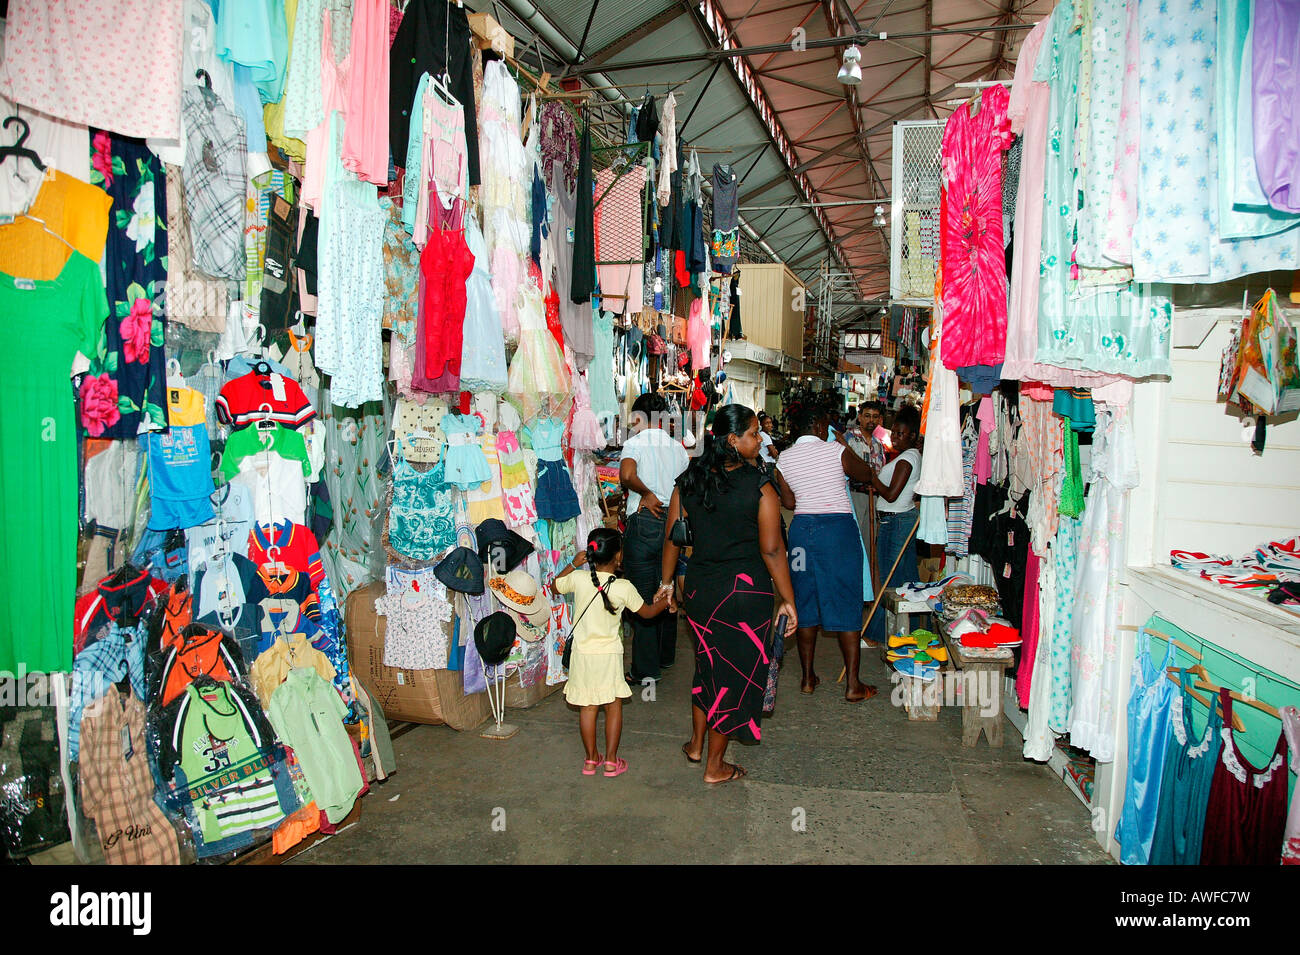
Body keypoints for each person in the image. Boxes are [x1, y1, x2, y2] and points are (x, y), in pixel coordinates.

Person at [660, 405, 797, 785]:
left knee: (707, 666)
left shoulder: (689, 480)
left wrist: (667, 583)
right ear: (732, 440)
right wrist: (787, 598)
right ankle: (715, 766)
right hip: (744, 594)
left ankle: (695, 744)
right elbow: (772, 551)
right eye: (754, 433)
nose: (760, 440)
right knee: (731, 678)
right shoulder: (760, 486)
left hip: (702, 592)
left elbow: (673, 538)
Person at [774, 406, 877, 702]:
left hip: (801, 534)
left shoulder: (784, 457)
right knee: (845, 598)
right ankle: (853, 685)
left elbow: (790, 501)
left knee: (803, 597)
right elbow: (866, 472)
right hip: (837, 533)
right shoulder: (835, 450)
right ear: (820, 426)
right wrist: (844, 445)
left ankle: (807, 678)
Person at [553, 529, 669, 777]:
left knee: (588, 707)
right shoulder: (624, 587)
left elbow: (555, 586)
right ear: (618, 555)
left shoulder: (579, 579)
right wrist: (667, 600)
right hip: (609, 656)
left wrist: (574, 563)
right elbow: (647, 613)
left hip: (582, 655)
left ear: (591, 554)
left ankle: (590, 760)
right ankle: (611, 762)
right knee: (613, 705)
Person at [619, 392, 689, 684]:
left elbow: (625, 474)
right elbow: (687, 489)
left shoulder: (635, 443)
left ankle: (646, 670)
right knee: (666, 582)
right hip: (674, 525)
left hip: (646, 522)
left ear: (640, 417)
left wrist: (646, 492)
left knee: (642, 592)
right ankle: (665, 655)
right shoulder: (678, 448)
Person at [862, 404, 922, 646]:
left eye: (900, 434)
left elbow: (890, 495)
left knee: (890, 581)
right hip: (900, 521)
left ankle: (875, 635)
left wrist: (872, 478)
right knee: (907, 580)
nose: (895, 437)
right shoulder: (909, 456)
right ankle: (915, 633)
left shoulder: (907, 459)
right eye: (894, 432)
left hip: (895, 523)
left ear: (913, 436)